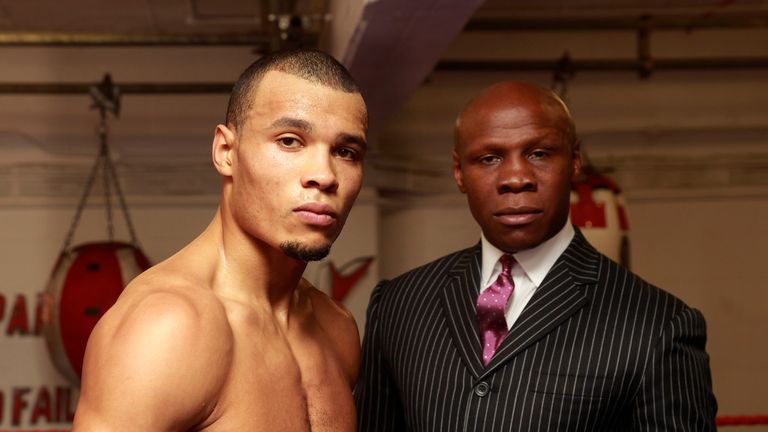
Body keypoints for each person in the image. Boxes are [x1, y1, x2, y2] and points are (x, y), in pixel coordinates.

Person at [355, 80, 717, 431]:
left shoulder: (658, 324)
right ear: (458, 172)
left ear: (574, 160)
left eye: (539, 154)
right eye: (490, 157)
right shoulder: (398, 306)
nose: (516, 177)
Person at [73, 49, 368, 431]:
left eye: (345, 151)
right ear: (226, 152)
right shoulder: (167, 327)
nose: (324, 175)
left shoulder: (337, 328)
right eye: (290, 141)